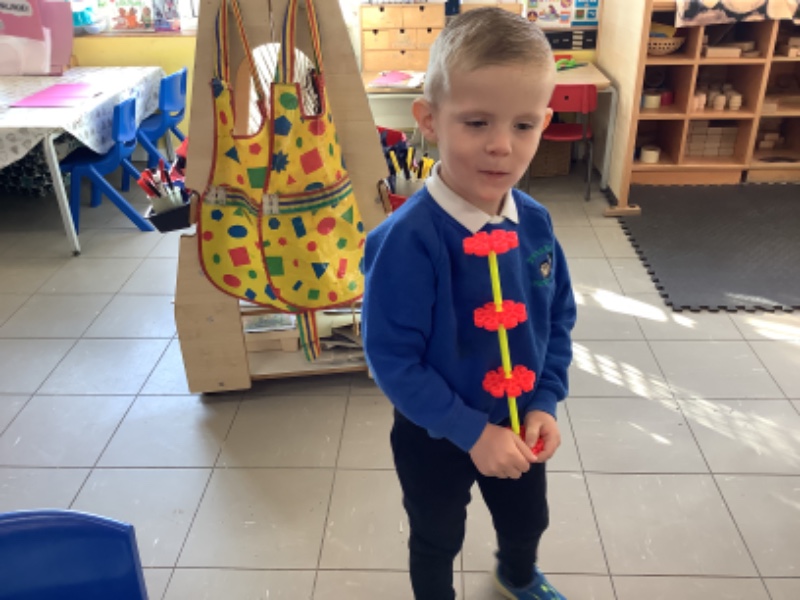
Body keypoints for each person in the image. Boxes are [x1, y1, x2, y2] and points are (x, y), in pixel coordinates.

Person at [362, 7, 577, 600]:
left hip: (519, 421)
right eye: (477, 122)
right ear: (429, 120)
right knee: (436, 537)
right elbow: (392, 359)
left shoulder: (536, 222)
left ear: (545, 123)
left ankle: (517, 574)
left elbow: (557, 318)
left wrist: (545, 400)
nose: (501, 146)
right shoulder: (406, 241)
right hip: (433, 434)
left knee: (528, 520)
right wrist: (471, 432)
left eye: (524, 125)